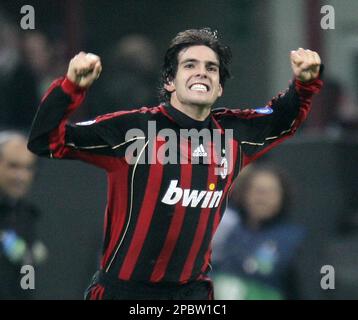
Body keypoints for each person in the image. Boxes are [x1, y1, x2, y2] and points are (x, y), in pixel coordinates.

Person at [27, 28, 323, 300]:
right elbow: (46, 140)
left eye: (211, 68)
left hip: (191, 295)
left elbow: (283, 119)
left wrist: (305, 82)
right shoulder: (134, 131)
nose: (202, 73)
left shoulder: (234, 134)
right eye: (190, 65)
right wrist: (70, 88)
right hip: (124, 293)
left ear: (220, 87)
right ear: (170, 81)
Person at [211, 164, 305, 300]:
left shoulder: (294, 239)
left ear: (283, 196)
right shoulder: (227, 231)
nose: (262, 197)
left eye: (270, 191)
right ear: (243, 194)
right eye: (256, 190)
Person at [0, 131, 47, 299]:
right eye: (13, 166)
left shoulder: (28, 216)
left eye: (28, 168)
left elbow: (27, 280)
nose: (21, 176)